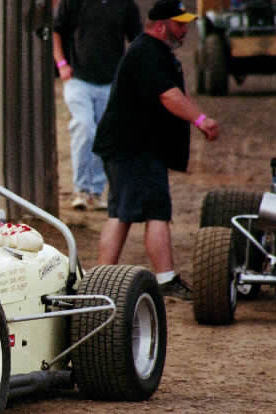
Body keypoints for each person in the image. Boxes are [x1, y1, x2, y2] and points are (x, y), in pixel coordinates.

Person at [92, 0, 220, 300]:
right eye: (179, 24)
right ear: (162, 26)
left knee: (122, 213)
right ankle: (163, 278)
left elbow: (176, 93)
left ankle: (99, 281)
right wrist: (201, 120)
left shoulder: (155, 52)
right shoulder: (148, 52)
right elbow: (169, 96)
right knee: (154, 212)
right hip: (134, 148)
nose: (185, 30)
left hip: (133, 147)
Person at [53, 0, 142, 211]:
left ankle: (95, 191)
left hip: (110, 82)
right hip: (78, 79)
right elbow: (57, 31)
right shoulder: (73, 3)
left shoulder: (125, 5)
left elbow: (137, 39)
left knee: (104, 134)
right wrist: (61, 63)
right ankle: (81, 188)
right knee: (84, 127)